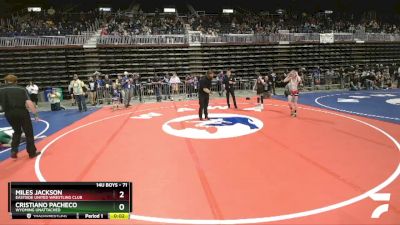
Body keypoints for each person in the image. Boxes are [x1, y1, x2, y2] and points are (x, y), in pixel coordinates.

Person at [0, 75, 40, 159]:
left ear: (5, 81)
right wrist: (35, 115)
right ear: (16, 81)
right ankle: (31, 152)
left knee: (17, 131)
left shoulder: (1, 89)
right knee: (28, 132)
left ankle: (14, 150)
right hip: (22, 112)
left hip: (8, 113)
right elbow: (29, 102)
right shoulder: (21, 89)